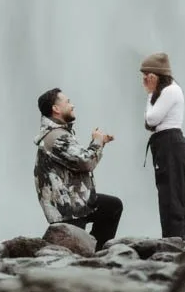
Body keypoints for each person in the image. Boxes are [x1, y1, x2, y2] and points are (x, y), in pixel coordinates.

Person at [33, 87, 124, 250]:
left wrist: (99, 142)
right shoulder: (56, 137)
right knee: (74, 251)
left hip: (75, 200)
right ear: (56, 109)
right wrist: (97, 142)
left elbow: (78, 160)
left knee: (112, 207)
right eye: (68, 102)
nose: (72, 105)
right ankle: (94, 255)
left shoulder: (58, 133)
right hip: (67, 208)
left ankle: (97, 254)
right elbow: (86, 162)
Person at [140, 52, 185, 240]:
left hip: (171, 144)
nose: (145, 80)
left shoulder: (170, 91)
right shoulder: (164, 92)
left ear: (157, 75)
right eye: (143, 75)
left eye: (148, 75)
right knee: (169, 193)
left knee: (173, 196)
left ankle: (176, 240)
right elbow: (148, 124)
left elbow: (151, 118)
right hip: (166, 144)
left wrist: (150, 93)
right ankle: (175, 239)